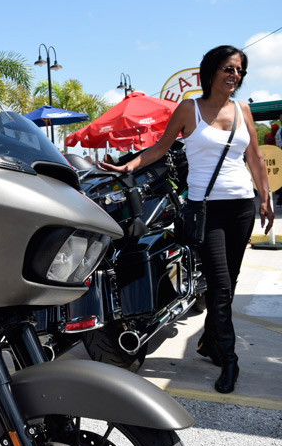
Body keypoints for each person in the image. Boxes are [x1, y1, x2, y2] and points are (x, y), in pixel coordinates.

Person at [100, 45, 274, 394]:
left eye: (239, 70)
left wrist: (265, 196)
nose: (235, 75)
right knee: (220, 285)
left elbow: (254, 157)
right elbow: (160, 149)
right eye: (228, 68)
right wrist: (127, 166)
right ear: (211, 71)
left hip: (241, 206)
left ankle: (211, 340)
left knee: (229, 282)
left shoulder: (243, 109)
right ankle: (229, 359)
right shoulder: (188, 109)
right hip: (206, 209)